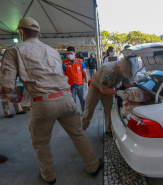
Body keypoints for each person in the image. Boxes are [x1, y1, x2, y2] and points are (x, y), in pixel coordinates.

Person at [0, 17, 103, 185]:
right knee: (78, 134)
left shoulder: (14, 50)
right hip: (66, 99)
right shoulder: (53, 51)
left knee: (41, 143)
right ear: (39, 34)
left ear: (21, 32)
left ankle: (49, 176)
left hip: (43, 104)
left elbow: (6, 88)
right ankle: (93, 166)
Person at [82, 59, 134, 135]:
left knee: (109, 110)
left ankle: (108, 130)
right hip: (95, 90)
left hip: (108, 89)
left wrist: (138, 86)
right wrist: (118, 92)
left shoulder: (124, 69)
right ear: (118, 67)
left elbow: (127, 84)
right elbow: (103, 89)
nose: (123, 74)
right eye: (123, 73)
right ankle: (83, 126)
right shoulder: (108, 71)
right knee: (89, 108)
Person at [62, 46, 88, 113]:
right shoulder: (65, 63)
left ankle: (84, 113)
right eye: (68, 54)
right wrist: (63, 84)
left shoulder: (80, 62)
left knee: (82, 99)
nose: (69, 55)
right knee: (72, 101)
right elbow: (63, 74)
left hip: (80, 84)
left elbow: (85, 73)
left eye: (71, 53)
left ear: (74, 53)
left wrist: (87, 83)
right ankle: (74, 114)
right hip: (70, 85)